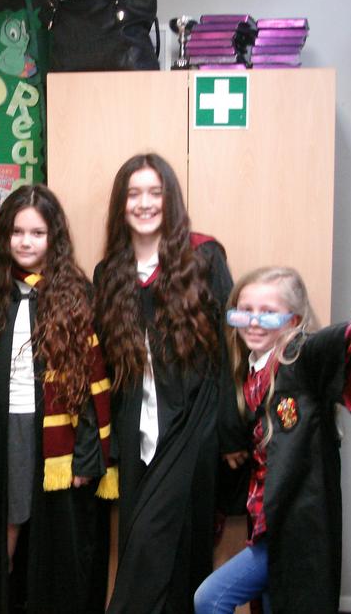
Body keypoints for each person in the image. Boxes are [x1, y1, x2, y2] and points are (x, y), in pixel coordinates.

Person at [194, 267, 351, 614]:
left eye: (268, 313)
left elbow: (335, 342)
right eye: (245, 310)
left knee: (211, 597)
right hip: (267, 524)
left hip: (296, 528)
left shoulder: (299, 357)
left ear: (293, 320)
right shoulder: (249, 369)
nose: (254, 322)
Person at [93, 153, 241, 613]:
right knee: (144, 539)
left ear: (170, 198)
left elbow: (229, 346)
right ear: (121, 204)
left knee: (168, 542)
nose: (144, 203)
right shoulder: (109, 272)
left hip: (193, 421)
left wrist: (230, 430)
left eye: (155, 193)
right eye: (134, 194)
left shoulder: (204, 257)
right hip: (136, 429)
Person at [0, 185, 116, 614]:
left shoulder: (76, 295)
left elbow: (94, 382)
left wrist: (86, 455)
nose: (25, 242)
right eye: (17, 232)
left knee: (53, 539)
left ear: (54, 238)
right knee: (6, 524)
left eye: (37, 233)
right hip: (2, 429)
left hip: (55, 436)